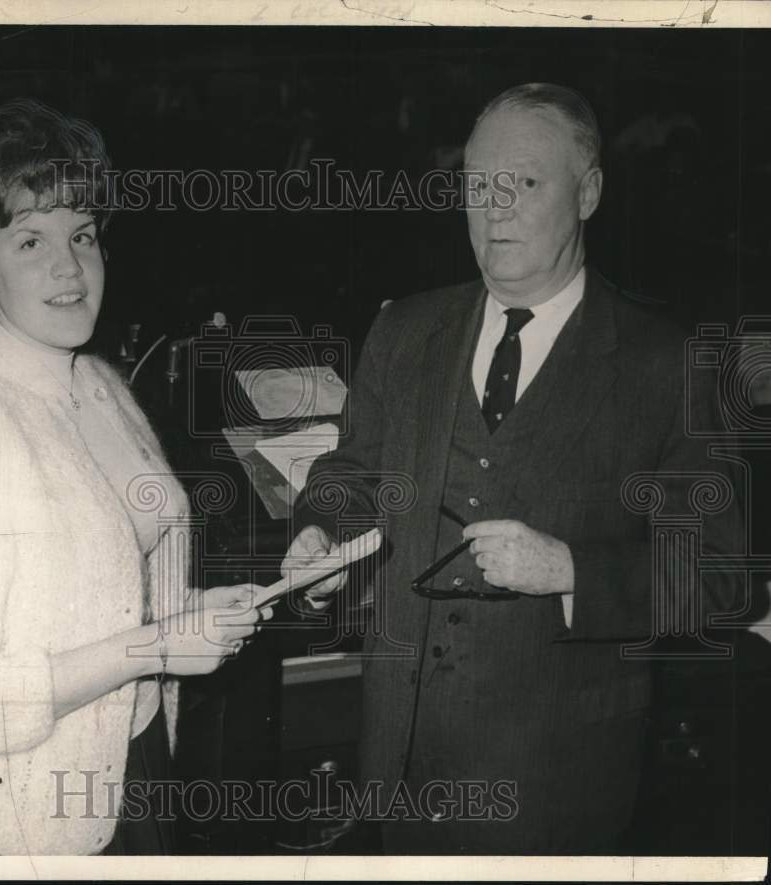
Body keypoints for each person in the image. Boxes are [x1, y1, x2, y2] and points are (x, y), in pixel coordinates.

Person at [282, 83, 743, 854]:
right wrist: (322, 532)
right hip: (400, 768)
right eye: (476, 184)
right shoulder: (404, 330)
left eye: (524, 182)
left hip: (557, 787)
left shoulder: (672, 366)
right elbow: (350, 474)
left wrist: (571, 569)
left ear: (589, 192)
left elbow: (727, 572)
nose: (494, 208)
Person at [0, 98, 266, 856]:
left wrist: (204, 613)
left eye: (82, 235)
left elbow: (105, 592)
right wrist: (158, 646)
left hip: (134, 765)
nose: (70, 266)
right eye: (30, 241)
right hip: (26, 818)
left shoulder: (98, 383)